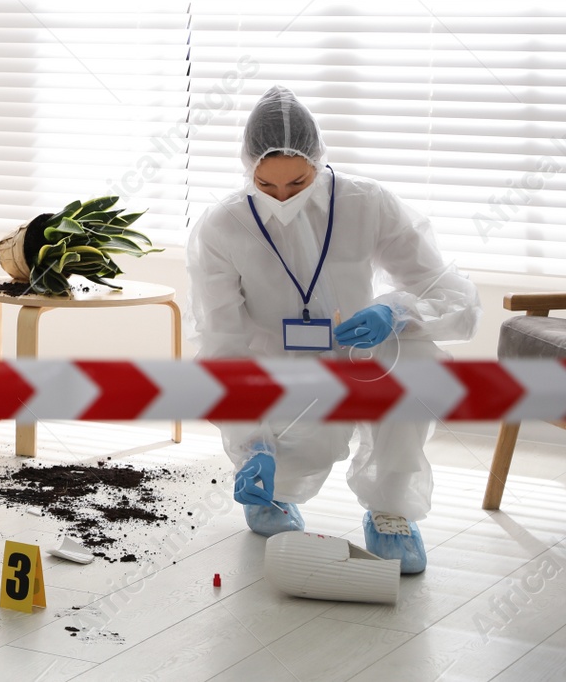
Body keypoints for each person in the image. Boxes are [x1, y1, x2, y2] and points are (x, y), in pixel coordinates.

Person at [187, 86, 479, 574]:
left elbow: (449, 291)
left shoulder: (367, 202)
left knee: (418, 362)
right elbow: (222, 344)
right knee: (301, 446)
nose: (282, 197)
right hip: (276, 360)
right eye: (267, 184)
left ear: (319, 161)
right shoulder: (223, 226)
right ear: (248, 168)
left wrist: (396, 311)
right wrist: (249, 442)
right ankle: (268, 487)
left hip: (357, 347)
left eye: (297, 183)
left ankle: (392, 511)